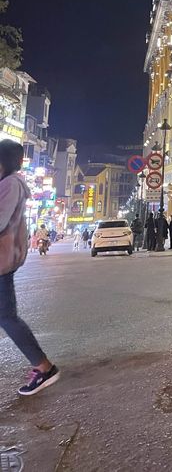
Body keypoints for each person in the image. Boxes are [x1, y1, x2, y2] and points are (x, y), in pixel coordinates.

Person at [0, 139, 60, 396]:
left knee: (7, 317)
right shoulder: (8, 183)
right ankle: (43, 366)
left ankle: (44, 367)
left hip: (1, 261)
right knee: (6, 316)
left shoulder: (11, 184)